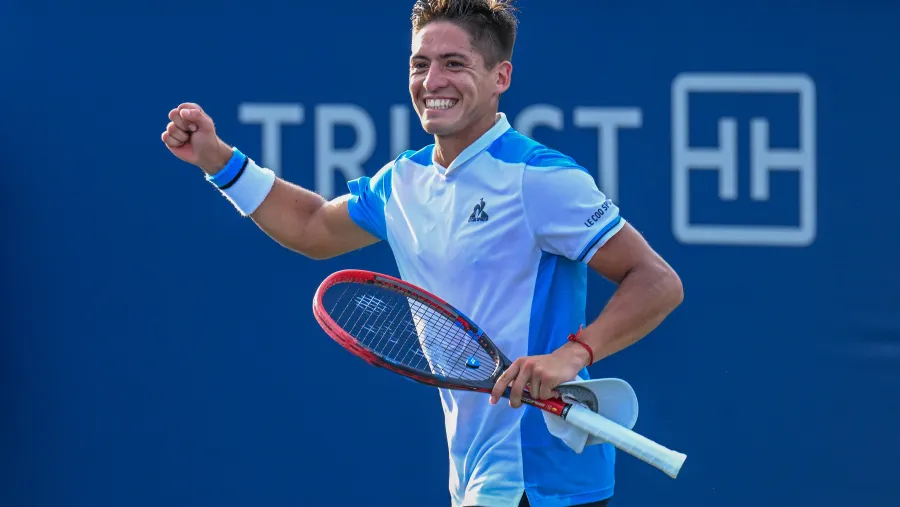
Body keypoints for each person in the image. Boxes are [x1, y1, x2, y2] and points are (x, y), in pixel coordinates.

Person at [161, 1, 683, 506]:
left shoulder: (540, 178)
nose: (432, 81)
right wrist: (218, 160)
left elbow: (656, 281)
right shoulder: (402, 182)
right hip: (474, 472)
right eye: (420, 64)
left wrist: (571, 355)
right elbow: (312, 226)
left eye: (454, 64)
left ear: (500, 77)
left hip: (541, 472)